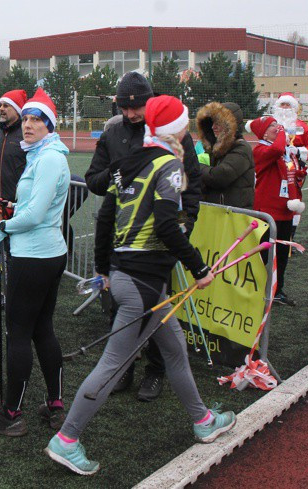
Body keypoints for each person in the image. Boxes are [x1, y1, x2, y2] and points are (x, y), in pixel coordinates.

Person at [46, 96, 235, 476]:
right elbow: (167, 225)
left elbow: (106, 218)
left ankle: (202, 420)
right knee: (113, 364)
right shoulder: (168, 164)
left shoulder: (129, 161)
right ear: (176, 129)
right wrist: (199, 268)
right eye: (184, 124)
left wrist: (104, 269)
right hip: (142, 280)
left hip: (132, 276)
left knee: (175, 349)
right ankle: (67, 438)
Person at [84, 72, 203, 402]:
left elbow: (191, 185)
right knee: (120, 307)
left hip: (160, 243)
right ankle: (123, 367)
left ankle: (155, 370)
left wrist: (184, 225)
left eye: (136, 107)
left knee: (158, 309)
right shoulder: (113, 133)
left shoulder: (172, 133)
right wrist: (119, 172)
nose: (131, 114)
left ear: (150, 102)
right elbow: (93, 180)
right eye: (124, 107)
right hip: (121, 239)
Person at [0, 88, 70, 436]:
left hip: (33, 256)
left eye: (36, 120)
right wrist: (10, 209)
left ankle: (11, 414)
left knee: (19, 333)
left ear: (49, 126)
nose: (28, 125)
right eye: (26, 118)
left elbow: (36, 215)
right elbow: (32, 208)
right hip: (45, 253)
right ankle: (55, 405)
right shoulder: (42, 154)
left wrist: (1, 227)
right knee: (42, 329)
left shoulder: (49, 159)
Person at [248, 116, 305, 306]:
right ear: (263, 133)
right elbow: (277, 149)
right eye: (272, 125)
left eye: (277, 125)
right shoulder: (261, 150)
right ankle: (261, 291)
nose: (278, 127)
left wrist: (299, 170)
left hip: (285, 209)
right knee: (265, 256)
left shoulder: (281, 151)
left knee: (281, 254)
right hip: (268, 210)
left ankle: (277, 290)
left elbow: (288, 172)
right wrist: (282, 131)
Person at [271, 92, 308, 237]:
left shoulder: (303, 127)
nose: (284, 107)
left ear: (294, 107)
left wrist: (298, 151)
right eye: (282, 104)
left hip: (295, 171)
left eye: (288, 105)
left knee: (294, 199)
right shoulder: (270, 125)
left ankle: (290, 233)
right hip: (273, 169)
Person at [197, 102, 254, 209]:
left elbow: (219, 177)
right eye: (212, 123)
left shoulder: (242, 148)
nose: (213, 127)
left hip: (235, 215)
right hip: (221, 212)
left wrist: (195, 166)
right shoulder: (219, 148)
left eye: (218, 123)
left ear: (230, 125)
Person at [0, 89, 28, 204]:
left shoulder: (26, 134)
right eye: (0, 105)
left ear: (17, 110)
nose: (1, 108)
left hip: (17, 202)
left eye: (6, 105)